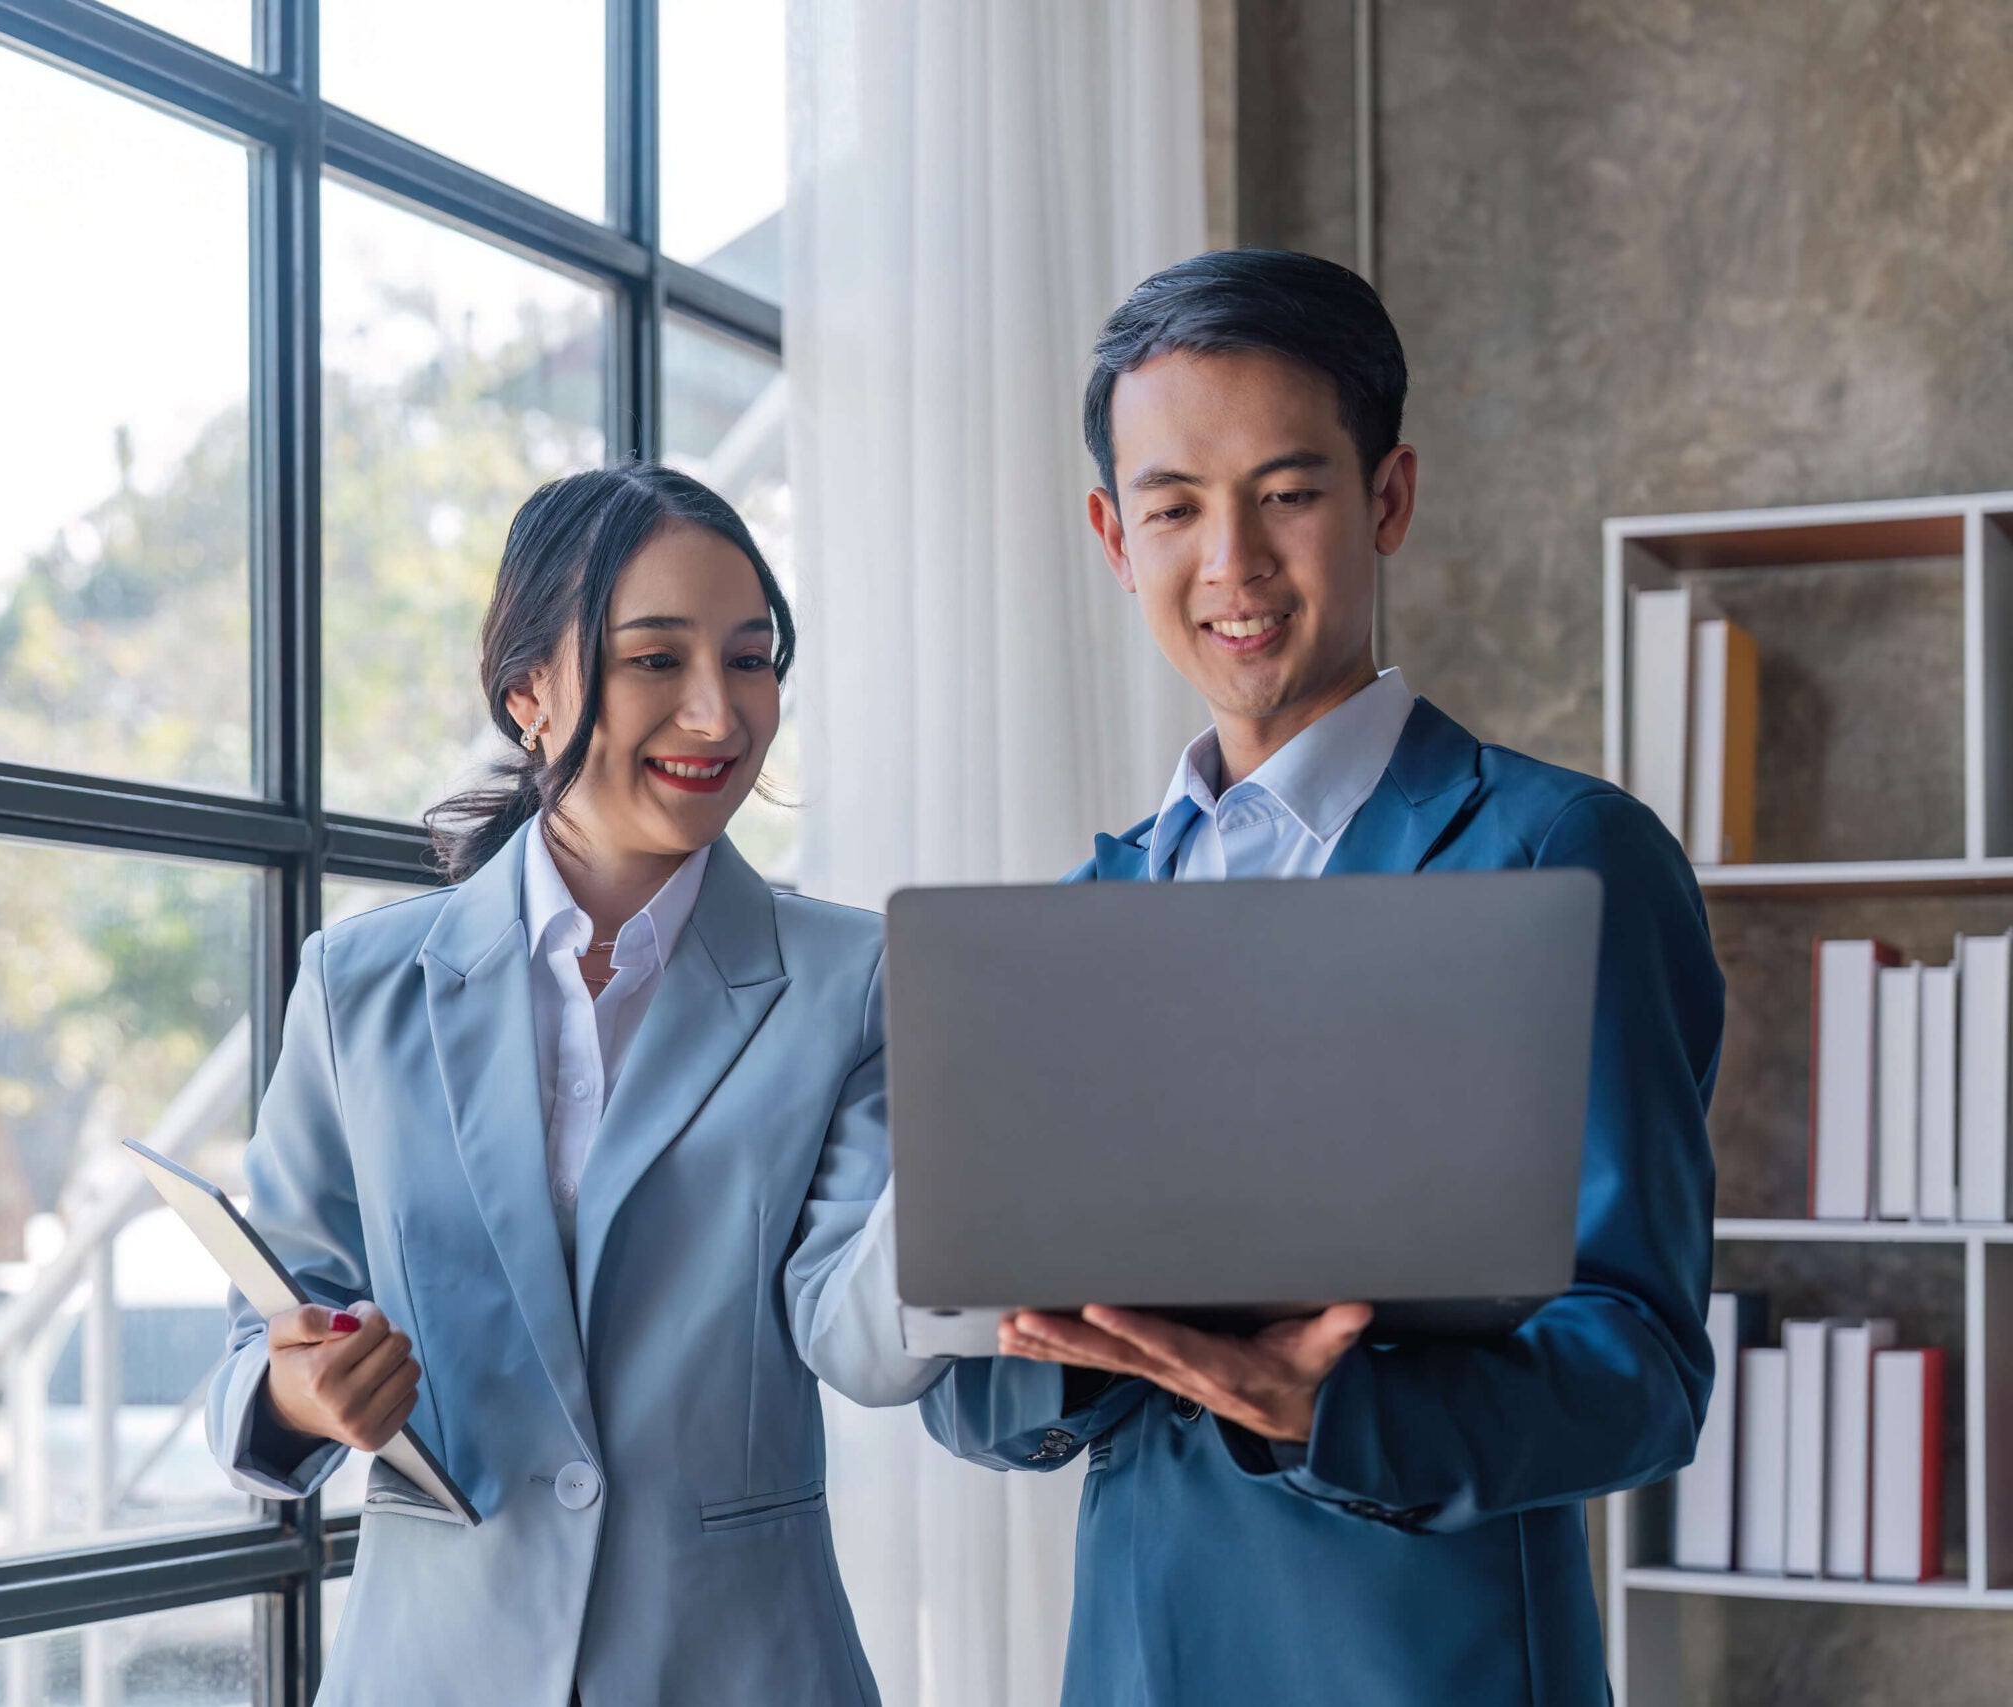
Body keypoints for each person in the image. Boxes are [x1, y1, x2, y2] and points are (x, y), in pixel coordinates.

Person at [912, 250, 1724, 1705]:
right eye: (1173, 507)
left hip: (1434, 1668)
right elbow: (970, 1389)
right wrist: (1090, 1353)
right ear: (1114, 533)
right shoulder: (1082, 916)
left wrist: (1331, 1411)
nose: (1231, 560)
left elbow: (1645, 1369)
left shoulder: (1561, 854)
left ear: (1387, 498)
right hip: (1140, 1665)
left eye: (1288, 493)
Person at [204, 462, 931, 1706]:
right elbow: (263, 1331)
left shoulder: (856, 978)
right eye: (657, 660)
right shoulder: (357, 987)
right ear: (528, 695)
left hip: (744, 1670)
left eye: (750, 660)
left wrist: (994, 1153)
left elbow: (859, 1335)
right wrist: (299, 1387)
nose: (718, 714)